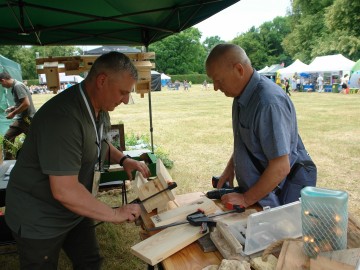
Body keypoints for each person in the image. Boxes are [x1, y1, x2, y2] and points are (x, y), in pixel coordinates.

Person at [5, 51, 151, 269]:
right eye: (123, 92)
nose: (125, 99)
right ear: (102, 81)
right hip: (39, 215)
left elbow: (97, 141)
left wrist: (123, 160)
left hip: (74, 208)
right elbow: (64, 190)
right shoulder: (63, 118)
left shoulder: (99, 107)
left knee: (90, 262)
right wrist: (113, 213)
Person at [205, 44, 316, 208]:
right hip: (259, 197)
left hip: (276, 200)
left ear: (239, 70)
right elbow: (247, 141)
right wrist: (231, 168)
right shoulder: (241, 97)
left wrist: (245, 199)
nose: (215, 87)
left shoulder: (268, 103)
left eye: (219, 80)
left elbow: (280, 166)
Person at [0, 72, 36, 160]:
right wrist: (13, 108)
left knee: (35, 142)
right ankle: (9, 160)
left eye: (1, 84)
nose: (2, 86)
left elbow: (26, 104)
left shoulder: (18, 86)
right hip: (21, 120)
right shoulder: (15, 86)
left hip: (27, 120)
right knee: (7, 138)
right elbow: (22, 103)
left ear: (3, 80)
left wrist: (13, 113)